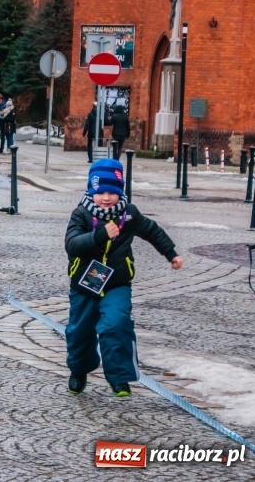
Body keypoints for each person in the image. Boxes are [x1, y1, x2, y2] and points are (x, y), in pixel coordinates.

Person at [65, 159, 183, 397]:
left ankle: (119, 378)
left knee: (116, 324)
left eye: (112, 192)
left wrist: (171, 253)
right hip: (85, 283)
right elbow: (72, 244)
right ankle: (79, 370)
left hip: (117, 283)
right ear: (91, 191)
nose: (106, 198)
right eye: (101, 192)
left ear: (120, 192)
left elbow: (152, 231)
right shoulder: (81, 213)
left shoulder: (129, 214)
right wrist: (100, 235)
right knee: (80, 331)